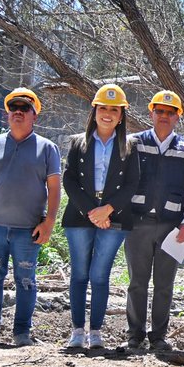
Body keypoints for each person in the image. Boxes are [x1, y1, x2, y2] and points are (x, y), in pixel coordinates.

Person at [0, 87, 61, 347]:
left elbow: (54, 188)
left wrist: (49, 222)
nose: (18, 112)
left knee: (26, 282)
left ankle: (22, 334)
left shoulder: (47, 149)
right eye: (13, 108)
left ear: (34, 115)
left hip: (28, 231)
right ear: (8, 114)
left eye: (24, 108)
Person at [61, 84, 140, 350]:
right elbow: (69, 180)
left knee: (99, 275)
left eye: (114, 110)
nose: (108, 114)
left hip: (114, 217)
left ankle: (95, 331)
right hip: (80, 214)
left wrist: (107, 210)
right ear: (94, 110)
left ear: (121, 115)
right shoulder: (77, 142)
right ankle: (76, 331)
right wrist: (90, 211)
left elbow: (132, 184)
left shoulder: (130, 146)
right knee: (79, 274)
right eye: (103, 108)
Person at [123, 90, 184, 352]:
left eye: (170, 113)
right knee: (137, 282)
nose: (164, 116)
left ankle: (158, 336)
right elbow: (122, 183)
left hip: (171, 227)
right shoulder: (133, 142)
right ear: (151, 113)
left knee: (165, 284)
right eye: (160, 111)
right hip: (138, 224)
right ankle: (135, 334)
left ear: (178, 117)